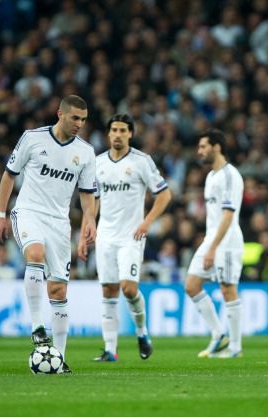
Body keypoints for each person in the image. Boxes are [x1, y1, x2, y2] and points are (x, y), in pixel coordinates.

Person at [0, 95, 97, 374]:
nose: (79, 124)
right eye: (75, 118)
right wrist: (0, 215)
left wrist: (90, 219)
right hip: (28, 212)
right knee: (35, 254)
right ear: (59, 114)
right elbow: (9, 175)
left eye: (84, 120)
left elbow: (87, 194)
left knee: (59, 290)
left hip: (59, 223)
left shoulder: (86, 152)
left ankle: (59, 359)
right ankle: (38, 327)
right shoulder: (32, 138)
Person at [79, 113, 171, 362]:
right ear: (108, 134)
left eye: (123, 130)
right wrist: (87, 227)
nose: (118, 134)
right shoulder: (97, 163)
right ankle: (110, 350)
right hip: (106, 236)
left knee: (129, 289)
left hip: (131, 236)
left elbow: (164, 195)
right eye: (114, 130)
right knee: (108, 290)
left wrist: (148, 221)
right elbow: (92, 200)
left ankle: (142, 333)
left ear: (130, 133)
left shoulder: (142, 161)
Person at [184, 128, 244, 358]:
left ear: (216, 147)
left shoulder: (230, 176)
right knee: (191, 284)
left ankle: (236, 347)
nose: (199, 151)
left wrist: (213, 247)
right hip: (212, 239)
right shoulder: (210, 177)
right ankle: (219, 334)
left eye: (203, 147)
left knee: (228, 290)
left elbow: (228, 217)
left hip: (227, 242)